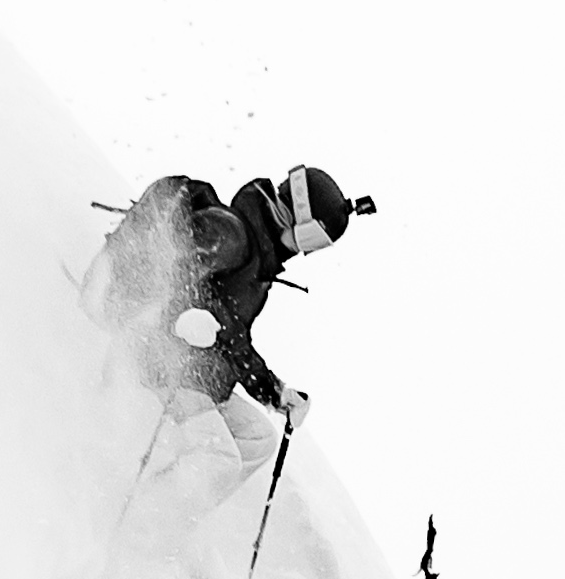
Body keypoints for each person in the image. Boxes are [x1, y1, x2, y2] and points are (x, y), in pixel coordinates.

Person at [86, 164, 376, 429]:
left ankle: (181, 474)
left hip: (196, 377)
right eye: (313, 241)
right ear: (302, 224)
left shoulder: (258, 266)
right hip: (156, 363)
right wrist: (183, 317)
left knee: (257, 439)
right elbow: (166, 272)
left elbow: (231, 332)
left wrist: (274, 392)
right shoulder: (230, 234)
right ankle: (149, 481)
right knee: (219, 456)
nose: (304, 251)